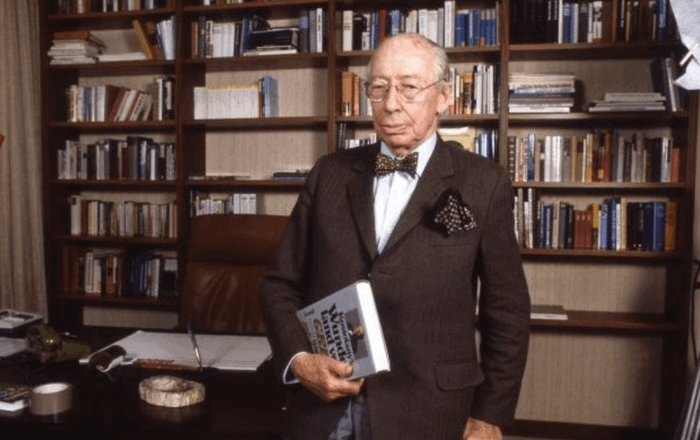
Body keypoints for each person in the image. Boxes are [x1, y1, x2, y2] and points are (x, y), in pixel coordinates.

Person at [260, 32, 530, 440]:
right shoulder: (328, 174)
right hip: (322, 408)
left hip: (430, 411)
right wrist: (298, 360)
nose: (390, 104)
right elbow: (279, 284)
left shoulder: (484, 184)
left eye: (408, 88)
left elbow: (507, 311)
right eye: (379, 88)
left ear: (443, 96)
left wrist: (490, 414)